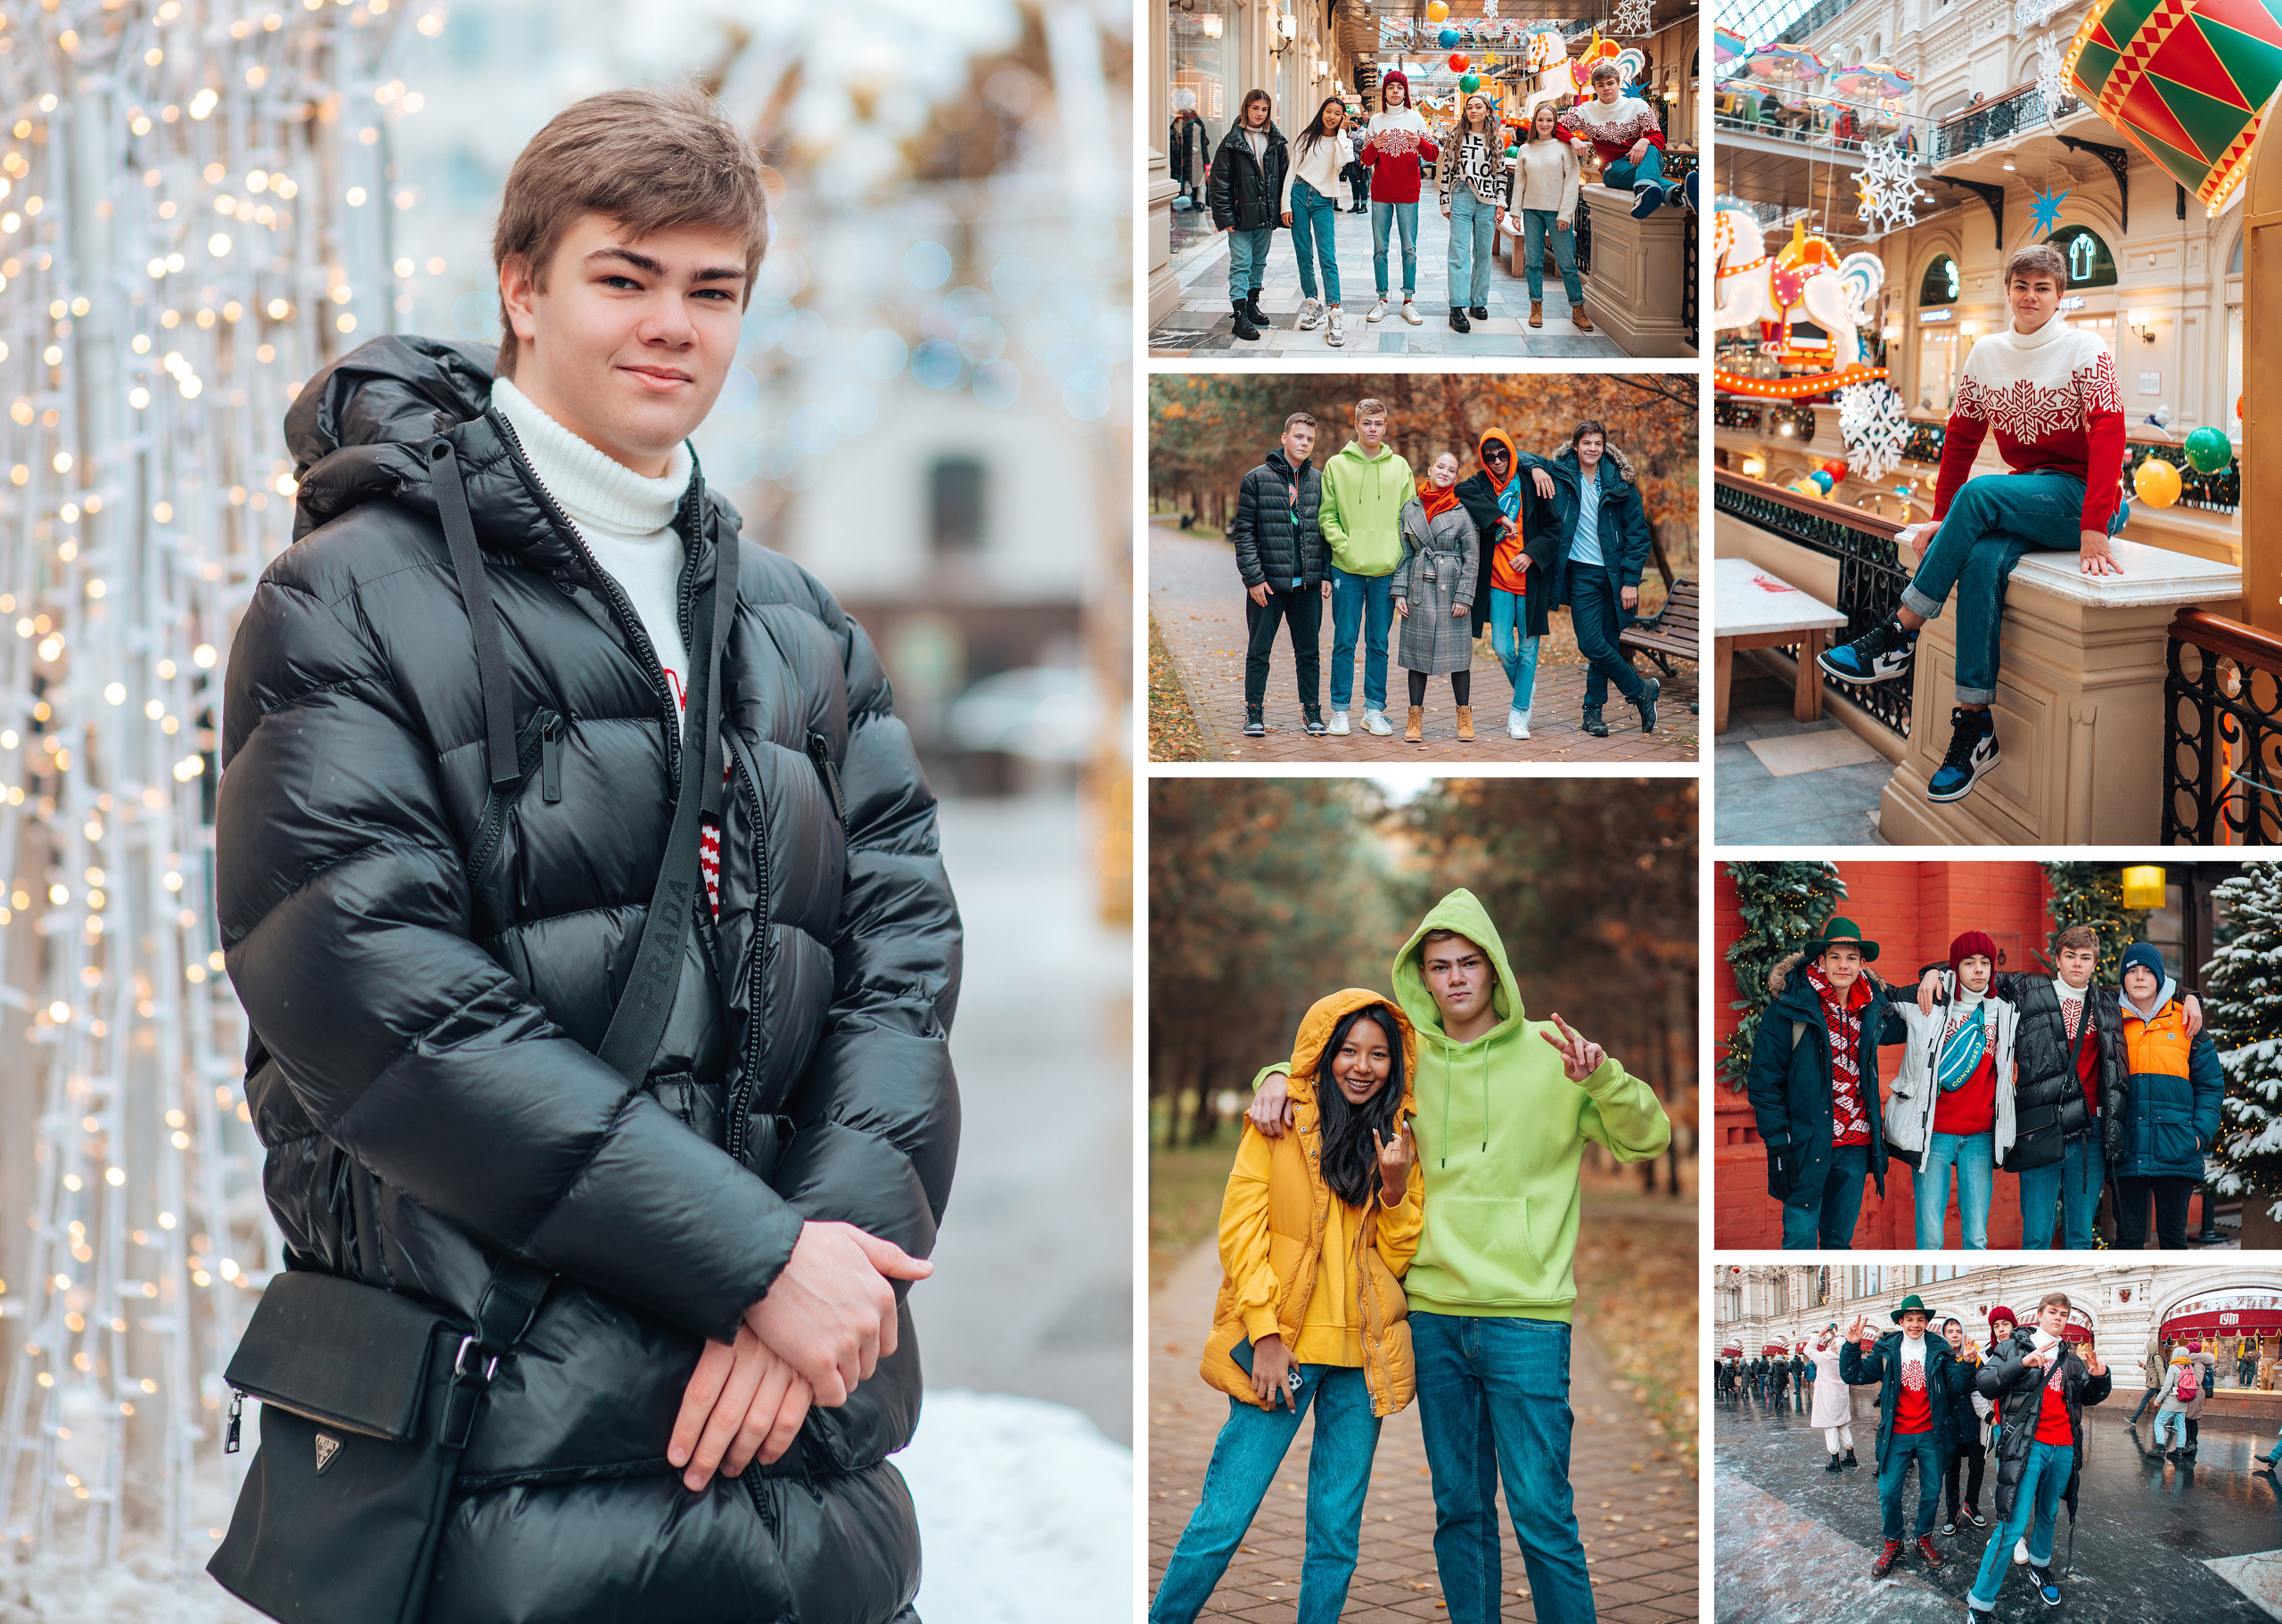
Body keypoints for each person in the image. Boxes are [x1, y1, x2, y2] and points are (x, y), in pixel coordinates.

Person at [211, 86, 958, 1620]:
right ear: (522, 285)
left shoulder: (801, 625)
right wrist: (752, 1261)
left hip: (800, 1449)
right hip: (497, 1459)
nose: (669, 326)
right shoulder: (344, 597)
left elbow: (905, 968)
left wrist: (820, 1268)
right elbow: (383, 1000)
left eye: (712, 290)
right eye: (623, 277)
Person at [1246, 889, 1671, 1624]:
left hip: (1528, 1319)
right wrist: (1274, 1076)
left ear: (1495, 969)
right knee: (1461, 1513)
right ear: (1423, 975)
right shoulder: (1408, 1059)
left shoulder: (1555, 1054)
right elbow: (1330, 1070)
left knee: (1544, 1515)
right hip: (1434, 1315)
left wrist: (1602, 1079)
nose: (1455, 978)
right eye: (1438, 966)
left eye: (1469, 962)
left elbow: (1649, 1139)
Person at [1817, 242, 2130, 805]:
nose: (2031, 297)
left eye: (2043, 288)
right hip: (2028, 496)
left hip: (2086, 497)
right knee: (1982, 559)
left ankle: (1900, 631)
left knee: (1983, 493)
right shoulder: (1986, 353)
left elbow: (2109, 436)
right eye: (2022, 286)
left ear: (2061, 296)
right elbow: (1961, 440)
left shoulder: (2086, 347)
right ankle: (1974, 724)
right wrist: (1942, 517)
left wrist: (2095, 528)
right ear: (2008, 290)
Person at [1150, 991, 1424, 1624]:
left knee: (1335, 1536)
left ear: (1395, 1064)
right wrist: (1266, 1335)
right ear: (1324, 1054)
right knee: (1223, 1517)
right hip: (1283, 1351)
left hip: (1362, 1360)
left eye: (1379, 1054)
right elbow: (1239, 1233)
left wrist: (1394, 1186)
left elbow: (1401, 1252)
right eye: (1349, 1050)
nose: (1362, 1066)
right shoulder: (1277, 1123)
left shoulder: (1400, 1135)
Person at [1921, 925, 2200, 1250]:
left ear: (2095, 963)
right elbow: (1977, 972)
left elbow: (2150, 988)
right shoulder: (2028, 988)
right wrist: (1934, 973)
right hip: (2041, 1126)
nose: (2077, 964)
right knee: (2037, 1235)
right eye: (2070, 956)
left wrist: (2190, 997)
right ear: (2057, 959)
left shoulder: (2109, 1001)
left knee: (2080, 1235)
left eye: (2085, 958)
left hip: (2090, 1132)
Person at [1744, 917, 1908, 1248]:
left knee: (1839, 1244)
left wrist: (1934, 973)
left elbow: (1921, 1010)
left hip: (1855, 1148)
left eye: (1851, 958)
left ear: (1863, 964)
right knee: (1799, 1243)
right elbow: (1764, 1082)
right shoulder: (1788, 1010)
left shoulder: (1873, 1009)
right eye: (1835, 956)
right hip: (1807, 1146)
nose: (1843, 965)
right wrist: (1778, 1144)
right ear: (1821, 960)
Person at [1969, 1292, 2110, 1615]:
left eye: (2064, 1314)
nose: (2058, 1318)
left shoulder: (2071, 1358)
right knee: (2011, 1526)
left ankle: (2039, 1566)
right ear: (2040, 1314)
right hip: (2026, 1447)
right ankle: (1980, 1603)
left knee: (2048, 1513)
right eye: (2052, 1312)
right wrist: (2022, 1364)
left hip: (2063, 1447)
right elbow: (1985, 1383)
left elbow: (2086, 1397)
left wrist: (2101, 1378)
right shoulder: (2012, 1346)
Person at [1886, 931, 2019, 1250]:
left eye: (1985, 962)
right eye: (1969, 962)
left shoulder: (2005, 1009)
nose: (1978, 969)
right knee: (1931, 1235)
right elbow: (1881, 996)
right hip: (1934, 1134)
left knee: (1976, 1235)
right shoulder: (1930, 1002)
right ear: (1955, 969)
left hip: (1980, 1137)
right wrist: (1931, 973)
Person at [1534, 420, 1659, 737]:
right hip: (1582, 574)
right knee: (1591, 643)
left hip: (1616, 577)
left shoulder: (1620, 483)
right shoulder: (1559, 474)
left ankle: (1593, 714)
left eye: (1597, 444)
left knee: (1606, 644)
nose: (1592, 449)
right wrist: (1536, 470)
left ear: (1605, 448)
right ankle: (1640, 690)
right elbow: (1518, 455)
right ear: (1575, 445)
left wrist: (1630, 581)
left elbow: (1638, 535)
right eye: (1586, 442)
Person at [1842, 1294, 1970, 1579]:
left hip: (1930, 1433)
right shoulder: (1887, 1350)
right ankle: (1894, 1542)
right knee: (1888, 1491)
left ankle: (1923, 1538)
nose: (1915, 1324)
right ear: (1901, 1322)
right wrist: (1851, 1345)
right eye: (1909, 1319)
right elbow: (1853, 1374)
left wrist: (1968, 1364)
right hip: (1896, 1434)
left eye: (1920, 1319)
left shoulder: (1939, 1349)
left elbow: (1957, 1386)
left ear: (1927, 1322)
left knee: (1931, 1491)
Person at [2112, 941, 2224, 1250]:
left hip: (2177, 1146)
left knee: (2174, 1239)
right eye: (2132, 971)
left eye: (2148, 971)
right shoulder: (2111, 1019)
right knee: (2128, 1240)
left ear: (2160, 978)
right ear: (2123, 977)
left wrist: (2198, 1135)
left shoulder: (2187, 1020)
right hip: (2127, 1148)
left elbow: (2211, 1085)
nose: (2140, 977)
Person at [1452, 429, 1558, 740]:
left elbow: (1554, 528)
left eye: (1502, 454)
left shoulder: (1530, 484)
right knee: (1501, 647)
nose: (1497, 461)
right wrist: (1500, 517)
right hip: (1497, 581)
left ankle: (1518, 714)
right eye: (1489, 456)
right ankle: (1526, 687)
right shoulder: (1481, 484)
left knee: (1528, 650)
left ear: (1511, 453)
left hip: (1530, 581)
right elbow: (1460, 490)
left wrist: (1530, 554)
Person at [1229, 413, 1329, 739]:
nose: (1304, 443)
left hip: (1307, 586)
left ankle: (1311, 712)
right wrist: (1254, 579)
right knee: (1259, 651)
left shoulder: (1318, 480)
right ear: (1284, 438)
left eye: (1310, 439)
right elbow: (1243, 533)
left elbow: (1327, 530)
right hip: (1268, 586)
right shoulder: (1255, 479)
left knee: (1309, 653)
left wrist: (1325, 573)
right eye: (1299, 436)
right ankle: (1254, 713)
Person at [1318, 398, 1413, 738]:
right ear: (1356, 425)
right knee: (1344, 641)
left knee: (1378, 644)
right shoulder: (1336, 465)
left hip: (1387, 570)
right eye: (1367, 423)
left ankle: (1374, 710)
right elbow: (1327, 516)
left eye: (1379, 424)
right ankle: (1340, 711)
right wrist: (1345, 547)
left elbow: (1409, 519)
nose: (1373, 429)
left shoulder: (1400, 466)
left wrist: (1399, 557)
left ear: (1385, 427)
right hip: (1348, 569)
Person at [1392, 453, 1482, 744]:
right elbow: (1405, 554)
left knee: (1459, 658)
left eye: (1451, 470)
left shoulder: (1462, 510)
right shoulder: (1410, 509)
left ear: (1456, 477)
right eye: (1440, 467)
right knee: (1417, 657)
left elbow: (1472, 557)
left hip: (1452, 588)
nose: (1445, 472)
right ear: (1430, 470)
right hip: (1418, 588)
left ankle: (1464, 716)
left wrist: (1465, 596)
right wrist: (1400, 592)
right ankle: (1414, 717)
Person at [1557, 61, 1693, 219]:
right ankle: (1677, 194)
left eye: (1610, 83)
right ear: (1595, 88)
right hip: (1612, 169)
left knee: (1650, 148)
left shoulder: (1638, 105)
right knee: (1648, 176)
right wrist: (1573, 139)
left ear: (1618, 84)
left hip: (1640, 161)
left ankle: (1644, 191)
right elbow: (1557, 127)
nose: (1606, 88)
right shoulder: (1585, 111)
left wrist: (1645, 141)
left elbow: (1658, 137)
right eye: (1601, 85)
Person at [1208, 88, 1289, 343]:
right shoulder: (1232, 141)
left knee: (1258, 262)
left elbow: (1285, 178)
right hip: (1241, 216)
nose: (1260, 113)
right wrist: (1225, 217)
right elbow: (1218, 182)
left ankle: (1252, 304)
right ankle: (1239, 312)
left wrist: (1283, 209)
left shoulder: (1275, 141)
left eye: (1264, 109)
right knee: (1241, 263)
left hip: (1265, 214)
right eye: (1256, 108)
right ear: (1246, 109)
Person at [1358, 70, 1437, 327]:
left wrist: (1419, 143)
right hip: (1381, 192)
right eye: (1390, 87)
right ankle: (1382, 299)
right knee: (1380, 248)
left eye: (1399, 87)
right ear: (1385, 92)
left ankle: (1408, 301)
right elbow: (1365, 160)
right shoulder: (1376, 120)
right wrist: (1375, 145)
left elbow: (1434, 154)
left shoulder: (1416, 118)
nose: (1395, 91)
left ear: (1405, 92)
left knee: (1409, 248)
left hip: (1408, 192)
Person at [1438, 90, 1513, 333]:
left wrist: (1501, 202)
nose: (1473, 110)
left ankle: (1478, 301)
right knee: (1458, 252)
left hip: (1489, 200)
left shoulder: (1497, 139)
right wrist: (1444, 200)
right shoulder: (1457, 135)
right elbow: (1446, 168)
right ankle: (1457, 306)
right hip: (1461, 195)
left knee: (1483, 253)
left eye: (1479, 106)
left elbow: (1501, 172)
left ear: (1487, 111)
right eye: (1470, 106)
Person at [1283, 97, 1353, 347]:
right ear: (1321, 112)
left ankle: (1335, 314)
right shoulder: (1306, 137)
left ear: (1343, 116)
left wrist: (1343, 132)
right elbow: (1292, 173)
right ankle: (1313, 305)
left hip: (1324, 200)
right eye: (1328, 111)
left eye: (1337, 113)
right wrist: (1285, 205)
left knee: (1327, 256)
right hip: (1299, 195)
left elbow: (1343, 161)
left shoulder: (1341, 141)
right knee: (1304, 254)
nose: (1331, 116)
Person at [1514, 102, 1589, 332]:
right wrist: (1515, 211)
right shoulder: (1525, 149)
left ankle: (1578, 309)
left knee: (1567, 263)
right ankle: (1535, 306)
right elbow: (1520, 182)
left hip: (1558, 213)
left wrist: (1566, 213)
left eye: (1549, 120)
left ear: (1555, 123)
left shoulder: (1564, 148)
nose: (1545, 124)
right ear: (1534, 122)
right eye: (1540, 120)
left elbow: (1571, 182)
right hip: (1532, 211)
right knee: (1533, 262)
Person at [1941, 1318, 1990, 1534]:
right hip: (1950, 1425)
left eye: (1958, 1331)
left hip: (1973, 1423)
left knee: (1977, 1467)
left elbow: (1982, 1388)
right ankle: (1953, 1512)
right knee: (1951, 1471)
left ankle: (1971, 1505)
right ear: (1944, 1335)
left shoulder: (1976, 1359)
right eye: (1950, 1331)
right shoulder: (1940, 1360)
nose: (1954, 1335)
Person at [1170, 101, 1214, 211]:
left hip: (1195, 161)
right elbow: (1205, 142)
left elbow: (1195, 145)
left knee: (1197, 185)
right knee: (1196, 184)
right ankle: (1197, 203)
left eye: (1187, 117)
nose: (1185, 119)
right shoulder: (1195, 126)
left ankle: (1197, 204)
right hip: (1194, 160)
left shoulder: (1195, 127)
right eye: (1184, 118)